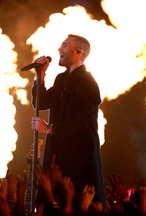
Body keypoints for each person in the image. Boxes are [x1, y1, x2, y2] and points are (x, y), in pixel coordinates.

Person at [31, 34, 106, 207]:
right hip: (58, 154)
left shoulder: (88, 83)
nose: (59, 49)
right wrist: (40, 76)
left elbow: (84, 122)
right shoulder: (61, 79)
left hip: (78, 158)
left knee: (73, 203)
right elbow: (41, 103)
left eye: (64, 45)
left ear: (78, 51)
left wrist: (49, 129)